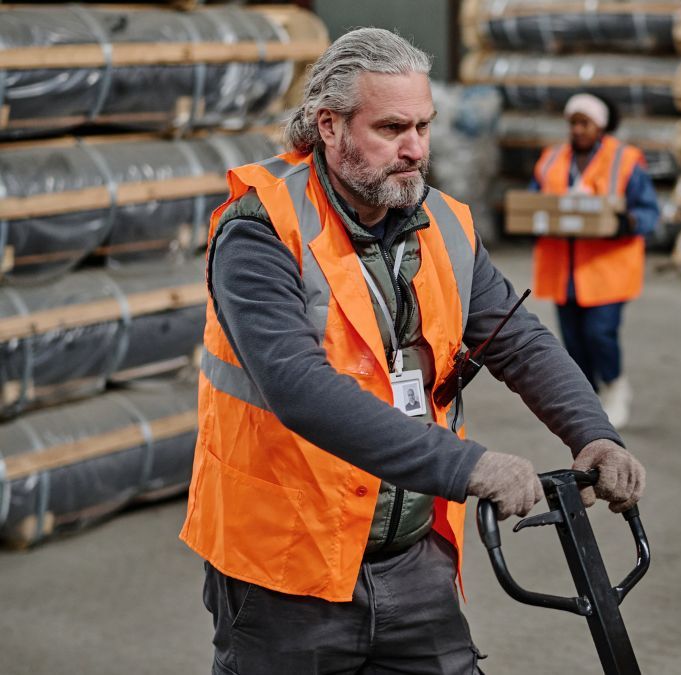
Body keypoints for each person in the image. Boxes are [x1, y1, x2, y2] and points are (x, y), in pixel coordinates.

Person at [179, 29, 645, 675]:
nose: (416, 149)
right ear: (329, 126)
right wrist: (468, 466)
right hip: (285, 571)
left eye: (424, 125)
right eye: (392, 128)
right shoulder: (260, 230)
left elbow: (519, 340)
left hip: (414, 562)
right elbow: (298, 388)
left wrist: (593, 433)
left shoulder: (444, 223)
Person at [529, 93, 660, 429]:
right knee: (573, 341)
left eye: (584, 123)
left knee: (600, 333)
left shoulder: (625, 160)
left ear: (600, 126)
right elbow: (531, 203)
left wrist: (626, 222)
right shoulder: (551, 159)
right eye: (573, 122)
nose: (577, 129)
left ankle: (615, 386)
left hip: (607, 270)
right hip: (563, 270)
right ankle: (589, 399)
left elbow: (649, 211)